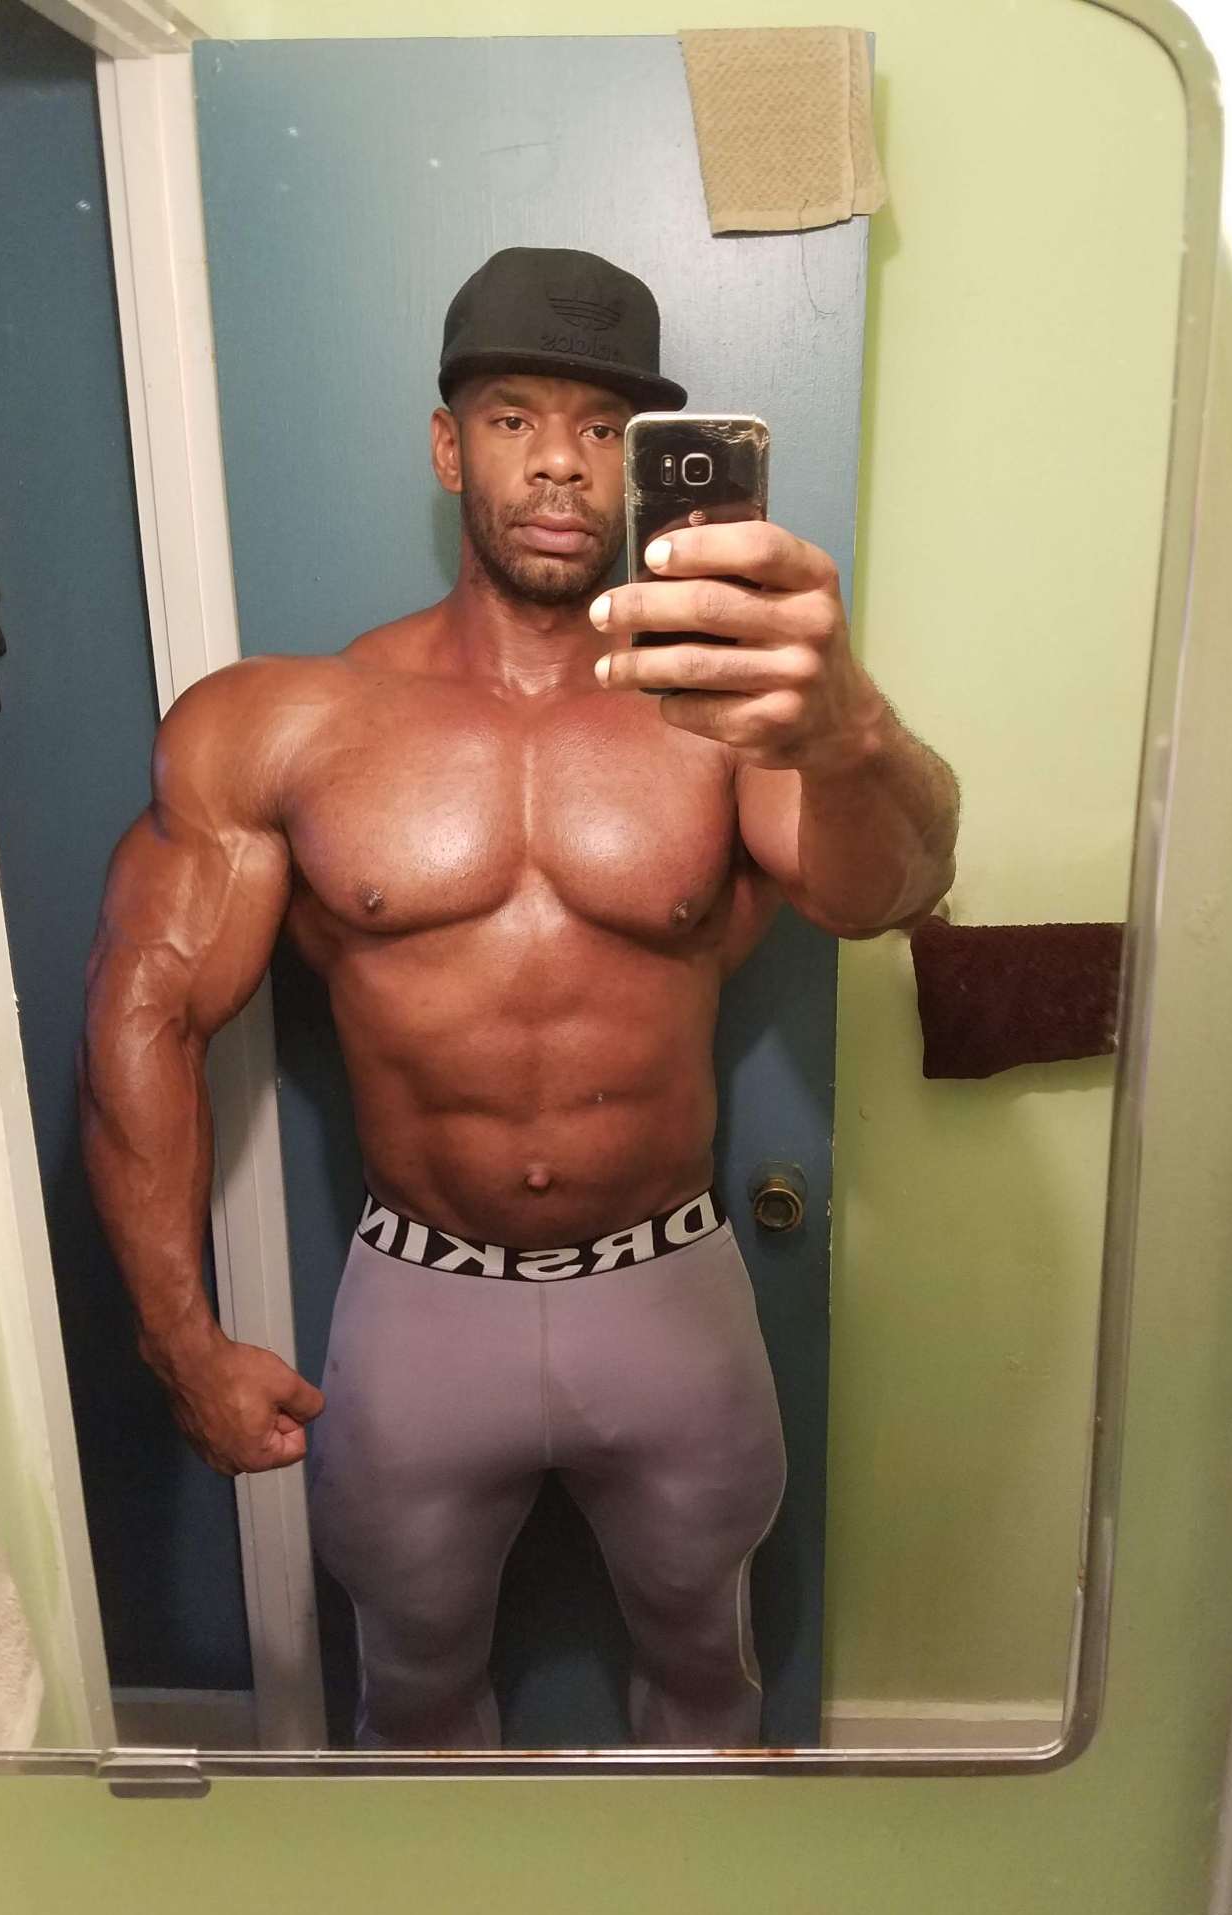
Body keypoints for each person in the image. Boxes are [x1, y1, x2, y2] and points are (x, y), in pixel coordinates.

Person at [79, 246, 958, 1749]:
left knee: (709, 1680)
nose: (560, 461)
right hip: (422, 1303)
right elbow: (140, 1020)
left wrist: (850, 726)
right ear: (449, 449)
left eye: (605, 427)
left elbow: (889, 891)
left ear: (649, 462)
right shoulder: (287, 721)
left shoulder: (730, 718)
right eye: (512, 418)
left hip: (669, 1293)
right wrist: (181, 1338)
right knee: (413, 1702)